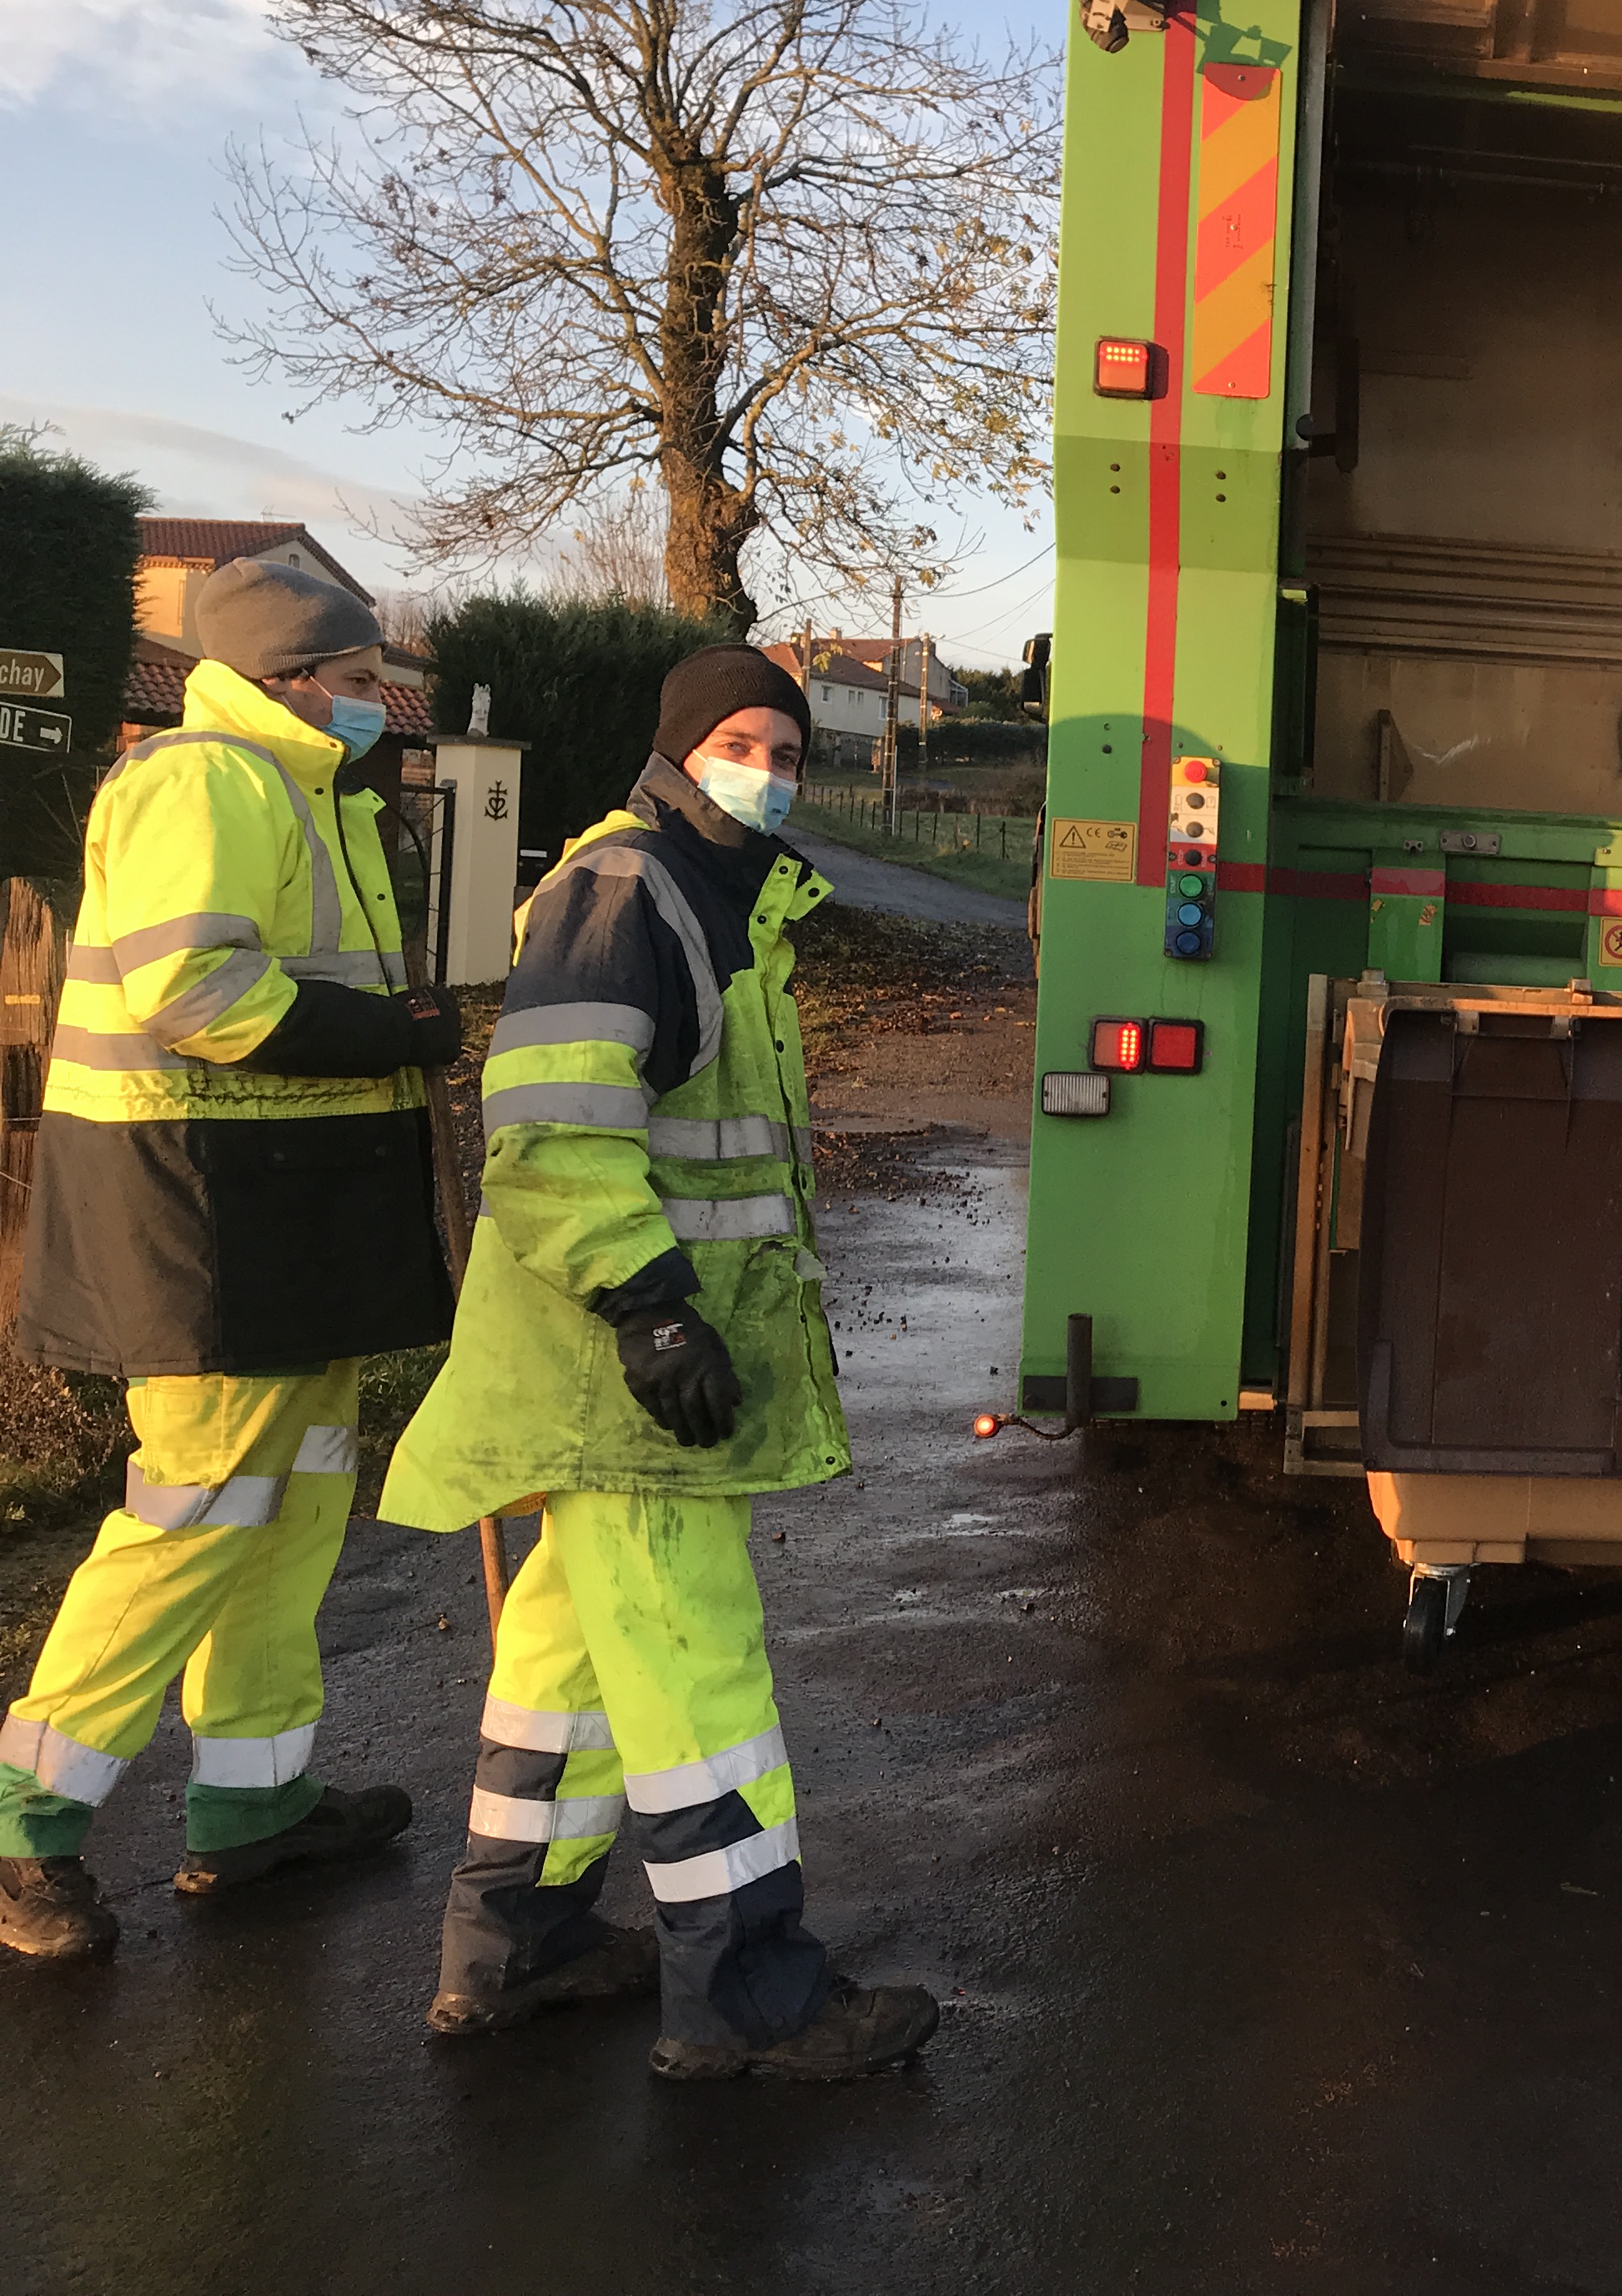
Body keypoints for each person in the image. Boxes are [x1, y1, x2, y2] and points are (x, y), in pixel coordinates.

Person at [381, 645, 937, 2080]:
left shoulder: (713, 899)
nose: (770, 764)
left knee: (557, 1677)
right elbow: (558, 1124)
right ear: (679, 749)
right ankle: (753, 2000)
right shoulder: (631, 887)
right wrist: (652, 1304)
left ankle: (517, 1944)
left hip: (614, 1377)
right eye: (744, 738)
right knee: (702, 1692)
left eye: (791, 748)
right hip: (625, 1378)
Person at [0, 559, 458, 1960]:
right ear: (290, 673)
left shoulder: (302, 784)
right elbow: (195, 991)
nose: (381, 699)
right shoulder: (208, 779)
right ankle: (26, 1826)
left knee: (290, 1510)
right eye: (363, 675)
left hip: (279, 1213)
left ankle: (254, 1807)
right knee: (195, 1511)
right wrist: (397, 1034)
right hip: (198, 1216)